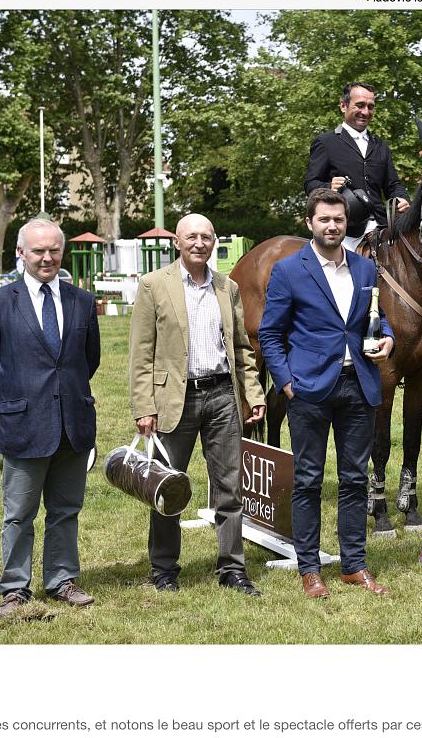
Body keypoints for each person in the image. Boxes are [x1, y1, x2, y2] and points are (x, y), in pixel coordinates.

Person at [258, 189, 395, 599]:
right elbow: (270, 334)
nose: (332, 226)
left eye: (338, 219)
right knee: (309, 480)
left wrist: (387, 338)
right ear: (310, 223)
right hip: (309, 389)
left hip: (359, 385)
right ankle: (310, 569)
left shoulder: (364, 268)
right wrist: (285, 383)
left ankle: (354, 565)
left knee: (355, 479)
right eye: (324, 219)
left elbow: (377, 318)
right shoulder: (288, 271)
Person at [0, 218, 100, 618]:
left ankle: (62, 580)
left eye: (53, 250)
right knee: (19, 514)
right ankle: (15, 589)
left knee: (66, 510)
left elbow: (87, 360)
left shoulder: (81, 300)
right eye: (38, 251)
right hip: (22, 425)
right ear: (21, 254)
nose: (47, 258)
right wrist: (16, 398)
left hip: (72, 425)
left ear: (62, 252)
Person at [129, 213, 266, 596]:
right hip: (175, 400)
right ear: (177, 241)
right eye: (191, 237)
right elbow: (141, 353)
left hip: (223, 396)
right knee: (167, 488)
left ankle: (232, 569)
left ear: (214, 242)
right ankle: (164, 569)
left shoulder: (228, 287)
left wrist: (252, 394)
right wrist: (144, 406)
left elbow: (240, 347)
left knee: (230, 488)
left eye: (206, 237)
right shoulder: (153, 285)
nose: (199, 243)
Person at [304, 81, 410, 253]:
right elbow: (310, 184)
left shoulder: (381, 146)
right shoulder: (325, 142)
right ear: (343, 106)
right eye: (360, 105)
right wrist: (328, 187)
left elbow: (393, 185)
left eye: (370, 107)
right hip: (345, 230)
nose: (365, 112)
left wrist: (402, 199)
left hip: (382, 227)